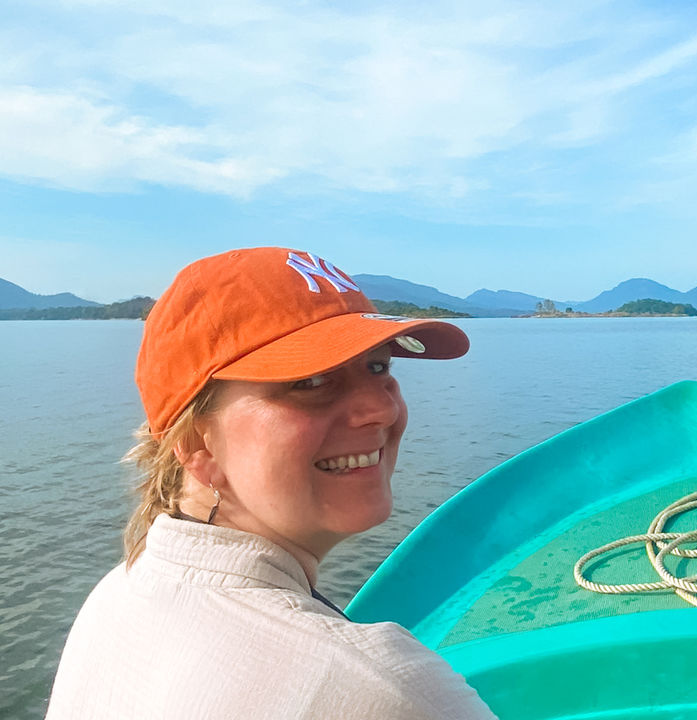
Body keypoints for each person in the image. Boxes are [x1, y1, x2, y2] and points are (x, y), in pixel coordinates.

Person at [46, 247, 497, 719]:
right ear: (198, 444)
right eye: (311, 381)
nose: (381, 410)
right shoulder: (383, 689)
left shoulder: (121, 595)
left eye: (378, 366)